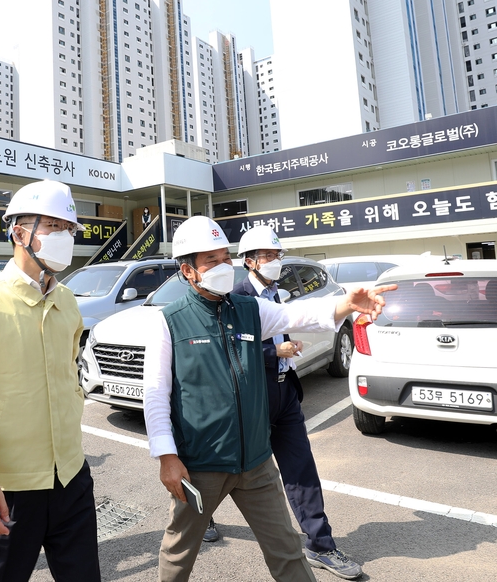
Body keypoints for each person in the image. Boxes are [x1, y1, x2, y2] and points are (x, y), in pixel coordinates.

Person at [142, 216, 395, 582]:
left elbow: (297, 314)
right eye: (210, 261)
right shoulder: (170, 321)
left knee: (288, 551)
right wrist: (167, 457)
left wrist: (345, 304)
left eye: (224, 257)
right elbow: (155, 394)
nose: (222, 266)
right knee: (179, 553)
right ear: (187, 270)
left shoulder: (248, 310)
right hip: (202, 463)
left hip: (256, 464)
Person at [0, 179, 101, 582]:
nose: (64, 236)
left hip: (71, 477)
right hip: (8, 486)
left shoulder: (67, 301)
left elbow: (70, 378)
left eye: (69, 229)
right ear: (19, 232)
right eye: (51, 225)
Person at [229, 225, 361, 579]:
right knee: (225, 469)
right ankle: (204, 515)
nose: (275, 262)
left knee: (301, 468)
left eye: (277, 255)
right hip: (253, 398)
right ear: (249, 261)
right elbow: (230, 350)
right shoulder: (234, 296)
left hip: (286, 393)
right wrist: (274, 351)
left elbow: (301, 318)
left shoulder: (277, 293)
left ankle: (320, 543)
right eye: (268, 256)